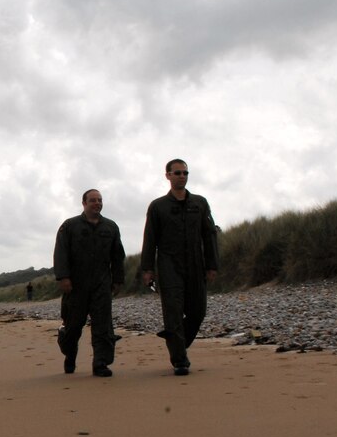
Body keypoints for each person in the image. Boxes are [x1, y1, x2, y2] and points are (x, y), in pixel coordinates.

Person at [140, 159, 220, 376]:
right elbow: (150, 239)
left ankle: (177, 342)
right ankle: (180, 360)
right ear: (168, 175)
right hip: (169, 265)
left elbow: (209, 235)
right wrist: (147, 269)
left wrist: (212, 264)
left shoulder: (200, 203)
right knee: (173, 313)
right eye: (177, 173)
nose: (182, 176)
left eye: (185, 173)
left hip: (196, 264)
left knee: (198, 312)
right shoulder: (158, 206)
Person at [53, 189, 125, 377]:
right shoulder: (69, 226)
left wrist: (118, 279)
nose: (97, 203)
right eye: (93, 200)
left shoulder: (111, 227)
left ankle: (101, 363)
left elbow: (118, 256)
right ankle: (69, 354)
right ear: (84, 203)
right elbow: (61, 252)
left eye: (100, 200)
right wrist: (63, 277)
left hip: (102, 283)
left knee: (103, 326)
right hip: (76, 285)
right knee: (73, 326)